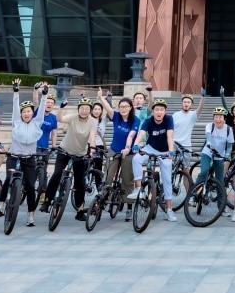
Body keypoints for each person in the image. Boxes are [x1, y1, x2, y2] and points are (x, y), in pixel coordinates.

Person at [0, 81, 48, 225]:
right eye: (24, 112)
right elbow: (14, 107)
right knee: (8, 179)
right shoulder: (16, 122)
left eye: (29, 111)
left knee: (31, 187)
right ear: (20, 114)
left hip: (29, 159)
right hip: (14, 157)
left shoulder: (37, 123)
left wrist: (44, 96)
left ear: (32, 113)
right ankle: (1, 204)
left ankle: (31, 215)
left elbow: (42, 110)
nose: (26, 114)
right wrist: (16, 92)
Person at [42, 97, 99, 223]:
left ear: (90, 111)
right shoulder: (73, 117)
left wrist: (92, 149)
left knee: (80, 182)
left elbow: (92, 136)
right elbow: (59, 119)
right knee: (57, 174)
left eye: (87, 109)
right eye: (82, 108)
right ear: (78, 109)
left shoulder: (93, 121)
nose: (84, 111)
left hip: (80, 154)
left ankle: (80, 210)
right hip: (65, 150)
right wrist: (61, 107)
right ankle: (47, 201)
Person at [131, 98, 178, 222]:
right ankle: (138, 189)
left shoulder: (169, 119)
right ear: (153, 111)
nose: (159, 112)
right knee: (136, 159)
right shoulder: (148, 120)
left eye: (161, 110)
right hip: (150, 147)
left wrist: (171, 150)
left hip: (165, 151)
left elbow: (170, 135)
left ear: (165, 111)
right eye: (157, 109)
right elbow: (141, 134)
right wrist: (136, 144)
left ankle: (169, 210)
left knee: (167, 179)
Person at [97, 93, 140, 222]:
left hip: (129, 153)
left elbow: (131, 135)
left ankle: (129, 208)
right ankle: (101, 201)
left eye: (126, 106)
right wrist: (100, 98)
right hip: (114, 150)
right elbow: (107, 108)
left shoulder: (135, 120)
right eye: (121, 106)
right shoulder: (116, 117)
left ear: (131, 107)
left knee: (127, 181)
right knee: (107, 177)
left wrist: (127, 148)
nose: (123, 109)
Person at [195, 107, 235, 201]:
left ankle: (221, 206)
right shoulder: (210, 126)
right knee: (204, 172)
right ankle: (194, 194)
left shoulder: (228, 130)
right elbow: (208, 135)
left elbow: (229, 145)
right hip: (207, 153)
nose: (218, 119)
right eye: (216, 117)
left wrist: (227, 155)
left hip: (219, 156)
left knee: (220, 181)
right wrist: (209, 143)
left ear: (224, 119)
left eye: (220, 117)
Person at [173, 92, 206, 157]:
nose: (186, 104)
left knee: (186, 166)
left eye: (188, 102)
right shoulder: (175, 115)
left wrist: (203, 97)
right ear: (182, 103)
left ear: (191, 104)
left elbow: (200, 108)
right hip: (174, 144)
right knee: (169, 161)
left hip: (186, 145)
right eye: (184, 102)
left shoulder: (193, 115)